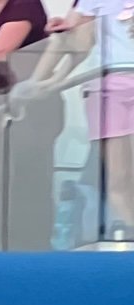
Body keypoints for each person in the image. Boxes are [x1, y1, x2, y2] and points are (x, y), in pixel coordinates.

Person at [53, 1, 134, 235]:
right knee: (118, 176)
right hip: (107, 87)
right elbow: (80, 42)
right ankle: (130, 236)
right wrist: (64, 30)